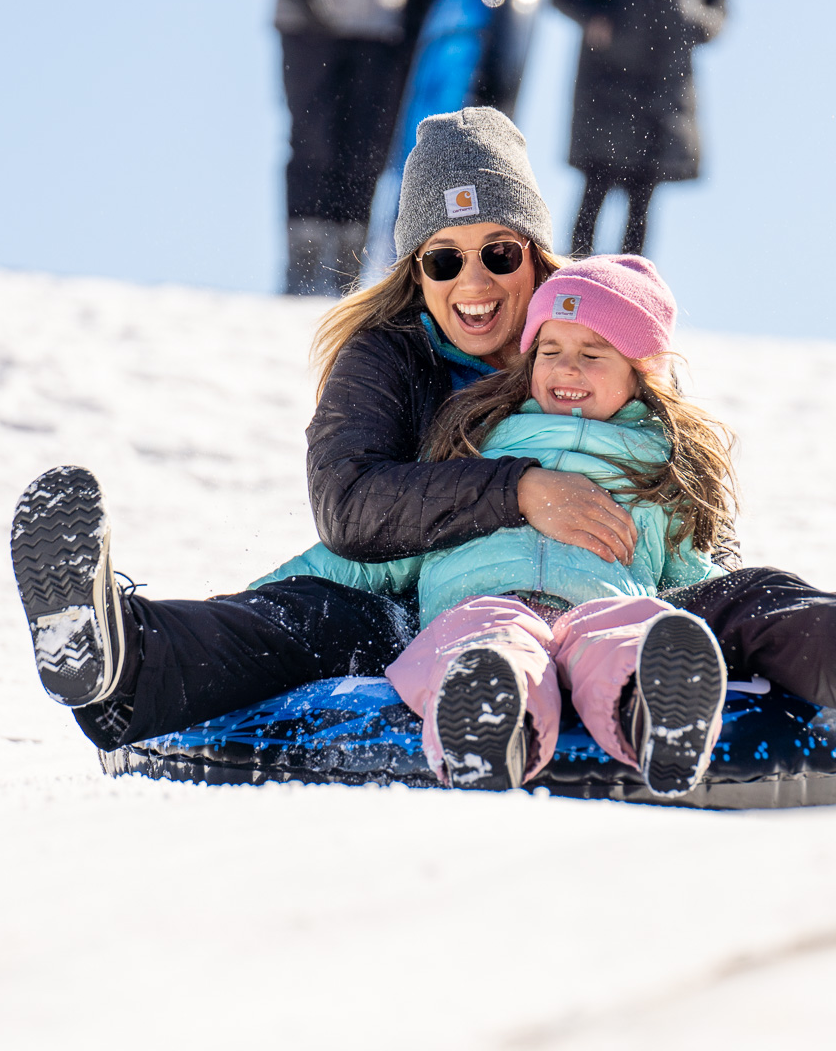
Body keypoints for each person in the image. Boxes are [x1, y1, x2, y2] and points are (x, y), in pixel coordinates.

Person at [7, 106, 836, 771]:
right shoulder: (387, 359)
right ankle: (115, 657)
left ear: (537, 259)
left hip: (604, 592)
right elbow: (351, 510)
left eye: (496, 253)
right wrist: (518, 492)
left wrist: (692, 575)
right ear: (414, 275)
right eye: (440, 260)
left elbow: (667, 484)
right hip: (417, 590)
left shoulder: (586, 344)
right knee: (305, 615)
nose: (470, 285)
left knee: (744, 603)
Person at [254, 255, 734, 795]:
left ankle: (658, 710)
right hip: (483, 601)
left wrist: (721, 616)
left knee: (629, 631)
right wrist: (266, 591)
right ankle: (488, 722)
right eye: (550, 352)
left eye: (592, 354)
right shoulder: (475, 443)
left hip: (598, 602)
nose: (567, 369)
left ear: (640, 373)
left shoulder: (657, 467)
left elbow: (691, 568)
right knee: (488, 641)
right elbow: (383, 547)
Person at [252, 0, 441, 297]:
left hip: (380, 23)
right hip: (309, 21)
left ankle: (346, 266)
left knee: (366, 148)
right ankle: (303, 262)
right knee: (312, 140)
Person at [545, 0, 727, 258]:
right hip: (608, 75)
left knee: (642, 196)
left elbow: (719, 2)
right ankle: (572, 286)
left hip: (665, 82)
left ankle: (629, 298)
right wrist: (590, 16)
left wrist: (692, 22)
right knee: (595, 185)